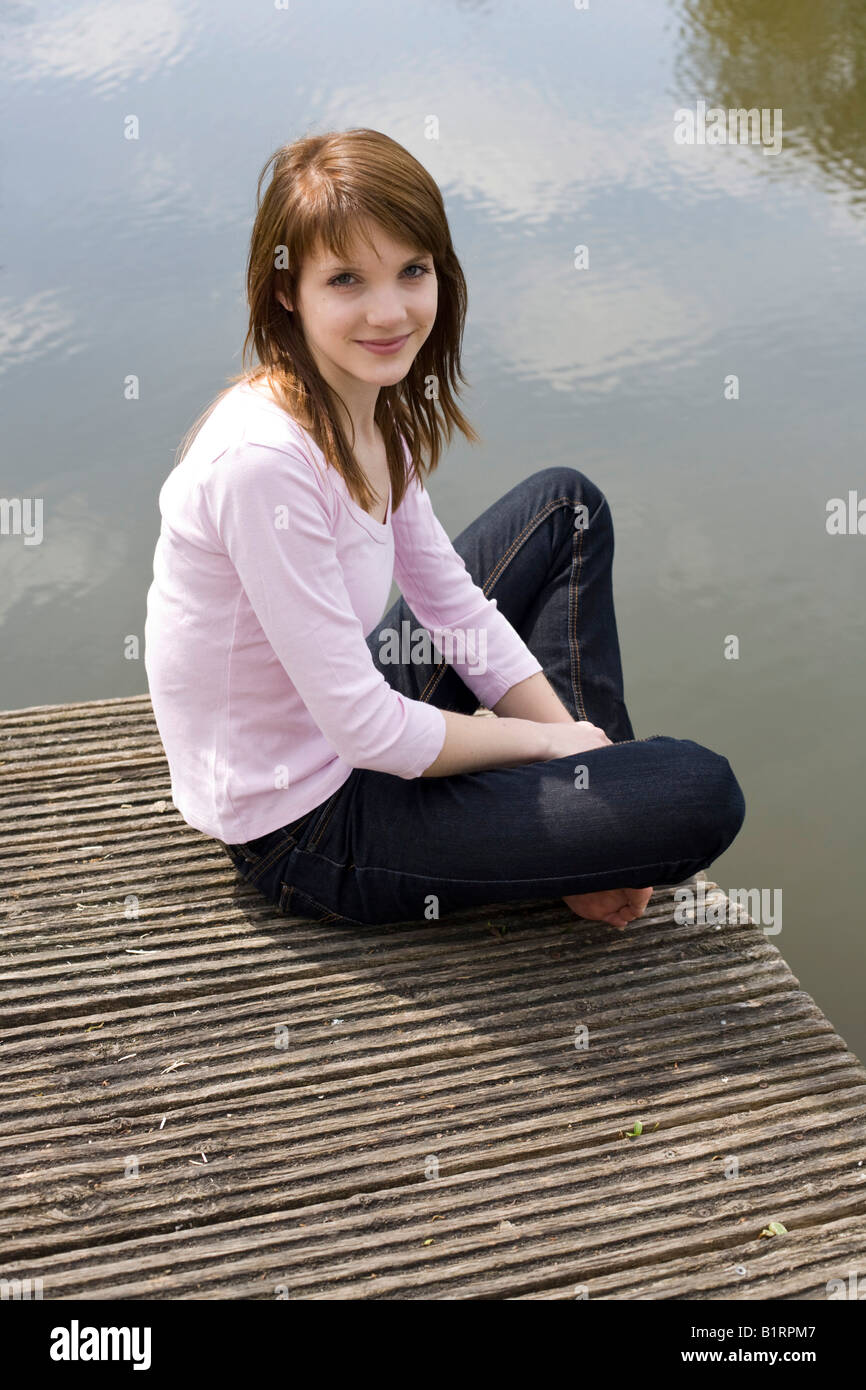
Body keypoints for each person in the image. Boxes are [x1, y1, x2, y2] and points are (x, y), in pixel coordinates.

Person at [144, 128, 745, 931]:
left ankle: (601, 812)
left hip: (350, 728)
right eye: (347, 280)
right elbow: (366, 730)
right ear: (287, 292)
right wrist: (539, 748)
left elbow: (453, 608)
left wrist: (574, 744)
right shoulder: (262, 463)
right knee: (700, 792)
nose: (389, 312)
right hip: (305, 827)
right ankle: (606, 818)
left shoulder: (366, 408)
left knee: (566, 508)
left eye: (412, 271)